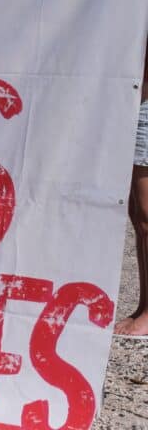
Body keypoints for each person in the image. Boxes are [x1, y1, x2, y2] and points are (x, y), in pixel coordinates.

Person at [117, 41, 148, 338]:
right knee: (138, 215)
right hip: (133, 98)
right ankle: (144, 306)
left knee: (146, 213)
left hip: (144, 98)